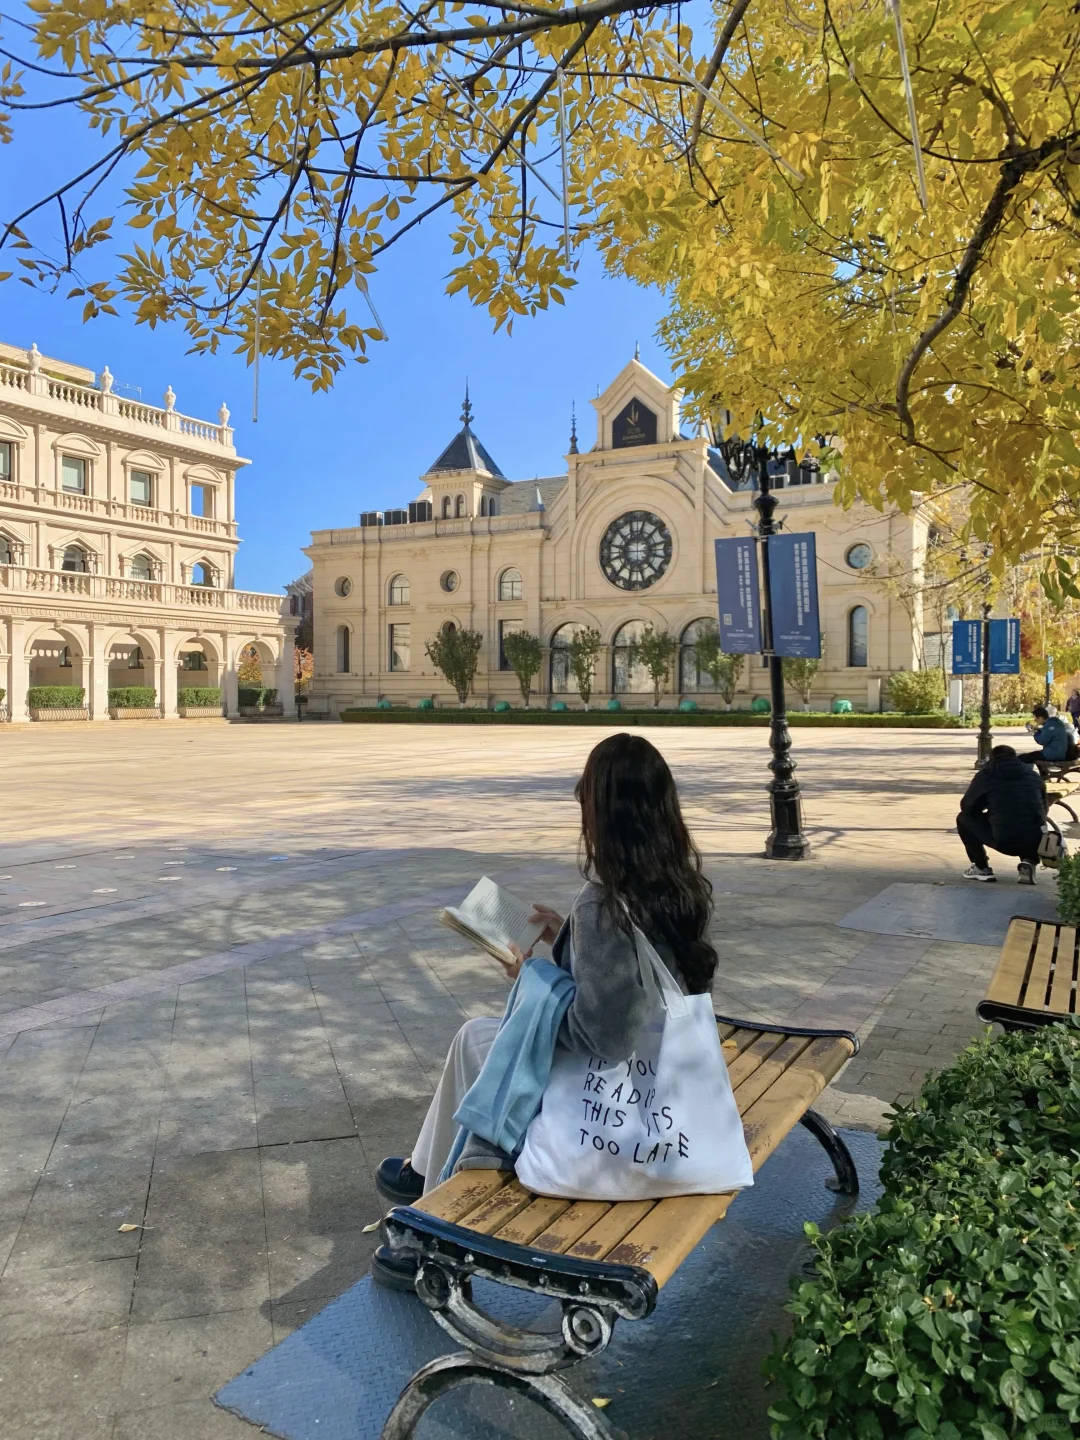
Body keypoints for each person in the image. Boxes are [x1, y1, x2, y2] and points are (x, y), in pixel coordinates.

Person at [372, 732, 718, 1288]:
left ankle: (436, 1213)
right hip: (662, 1063)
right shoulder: (681, 886)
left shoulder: (606, 904)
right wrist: (570, 939)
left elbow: (602, 1035)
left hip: (610, 1094)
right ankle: (426, 1174)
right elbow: (636, 986)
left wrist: (533, 976)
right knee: (476, 1038)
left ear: (602, 814)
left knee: (487, 1046)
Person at [957, 744, 1045, 884]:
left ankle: (981, 867)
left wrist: (988, 804)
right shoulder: (1032, 775)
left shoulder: (986, 775)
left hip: (1004, 840)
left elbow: (968, 807)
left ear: (991, 759)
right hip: (1035, 840)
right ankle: (1029, 861)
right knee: (1028, 819)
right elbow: (1044, 807)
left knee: (963, 819)